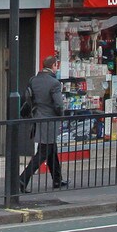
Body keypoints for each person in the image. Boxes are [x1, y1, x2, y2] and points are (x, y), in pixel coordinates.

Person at [18, 55, 68, 191]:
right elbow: (59, 104)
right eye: (56, 65)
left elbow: (28, 98)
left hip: (38, 118)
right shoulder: (54, 83)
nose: (57, 68)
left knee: (51, 149)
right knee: (43, 152)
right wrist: (61, 116)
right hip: (50, 121)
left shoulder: (33, 80)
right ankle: (22, 179)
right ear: (53, 66)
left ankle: (57, 179)